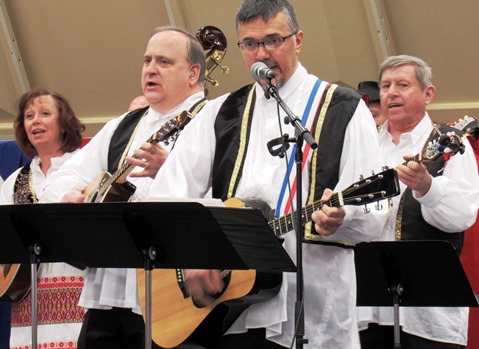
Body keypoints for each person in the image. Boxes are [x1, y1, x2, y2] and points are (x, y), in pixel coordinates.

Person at [148, 1, 387, 348]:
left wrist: (342, 217)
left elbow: (374, 216)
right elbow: (168, 194)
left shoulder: (343, 108)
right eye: (250, 44)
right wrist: (194, 254)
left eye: (273, 40)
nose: (262, 53)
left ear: (298, 40)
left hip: (315, 305)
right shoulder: (220, 112)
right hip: (231, 308)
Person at [40, 26, 206, 349]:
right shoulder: (125, 124)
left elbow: (223, 194)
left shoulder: (210, 119)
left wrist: (165, 170)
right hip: (108, 291)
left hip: (170, 296)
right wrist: (69, 197)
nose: (150, 69)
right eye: (147, 60)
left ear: (193, 72)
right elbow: (64, 175)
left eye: (164, 62)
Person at [357, 55, 479, 348]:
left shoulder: (451, 142)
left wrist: (428, 188)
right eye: (385, 86)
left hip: (428, 314)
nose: (391, 93)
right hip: (368, 310)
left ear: (428, 93)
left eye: (402, 84)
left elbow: (464, 216)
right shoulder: (365, 145)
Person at [0, 89, 85, 349]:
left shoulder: (84, 168)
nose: (35, 120)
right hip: (27, 299)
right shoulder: (16, 180)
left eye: (45, 113)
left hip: (77, 296)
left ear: (64, 123)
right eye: (29, 116)